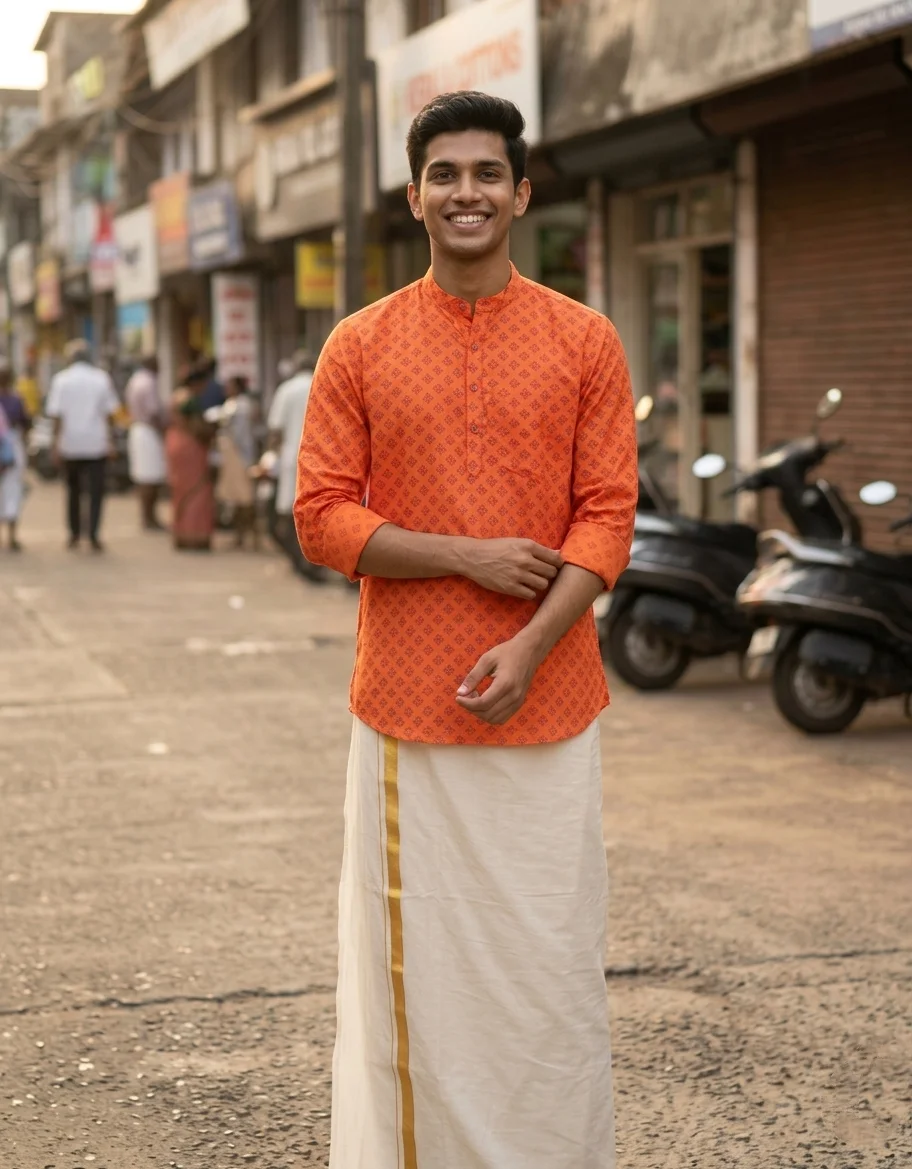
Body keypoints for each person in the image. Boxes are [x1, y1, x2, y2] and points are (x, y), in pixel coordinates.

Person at [295, 92, 637, 1169]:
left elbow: (610, 512)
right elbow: (320, 515)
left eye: (487, 173)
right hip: (408, 711)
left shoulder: (586, 341)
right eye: (445, 175)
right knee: (423, 968)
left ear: (523, 193)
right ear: (415, 198)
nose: (467, 193)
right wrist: (463, 553)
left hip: (553, 705)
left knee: (545, 962)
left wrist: (532, 641)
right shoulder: (360, 343)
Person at [46, 339, 119, 552]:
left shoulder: (62, 380)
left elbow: (57, 417)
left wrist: (55, 445)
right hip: (96, 443)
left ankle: (74, 533)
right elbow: (109, 415)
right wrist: (111, 441)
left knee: (73, 491)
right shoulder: (101, 379)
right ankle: (94, 533)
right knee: (96, 491)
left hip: (71, 443)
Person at [265, 349, 323, 579]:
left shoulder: (286, 390)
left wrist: (270, 458)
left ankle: (301, 562)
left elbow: (275, 431)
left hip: (292, 458)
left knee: (289, 513)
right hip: (321, 460)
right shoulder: (322, 382)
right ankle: (312, 563)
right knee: (318, 513)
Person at [165, 363, 217, 551]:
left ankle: (182, 534)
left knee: (180, 490)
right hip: (190, 446)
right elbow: (196, 427)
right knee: (198, 489)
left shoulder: (176, 397)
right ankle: (196, 535)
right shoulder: (190, 401)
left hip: (175, 442)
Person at [214, 375, 259, 548]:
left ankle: (252, 537)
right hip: (232, 456)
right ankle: (240, 537)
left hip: (240, 456)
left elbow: (242, 437)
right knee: (236, 499)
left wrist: (246, 459)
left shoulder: (241, 407)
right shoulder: (233, 405)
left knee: (245, 498)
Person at [125, 355, 167, 531]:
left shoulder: (135, 380)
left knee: (145, 476)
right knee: (150, 476)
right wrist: (163, 431)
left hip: (138, 430)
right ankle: (149, 517)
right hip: (148, 431)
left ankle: (147, 517)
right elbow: (153, 412)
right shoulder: (148, 383)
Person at [0, 361, 31, 551]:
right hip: (12, 449)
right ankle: (11, 536)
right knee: (12, 491)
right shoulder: (16, 400)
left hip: (9, 449)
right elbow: (26, 424)